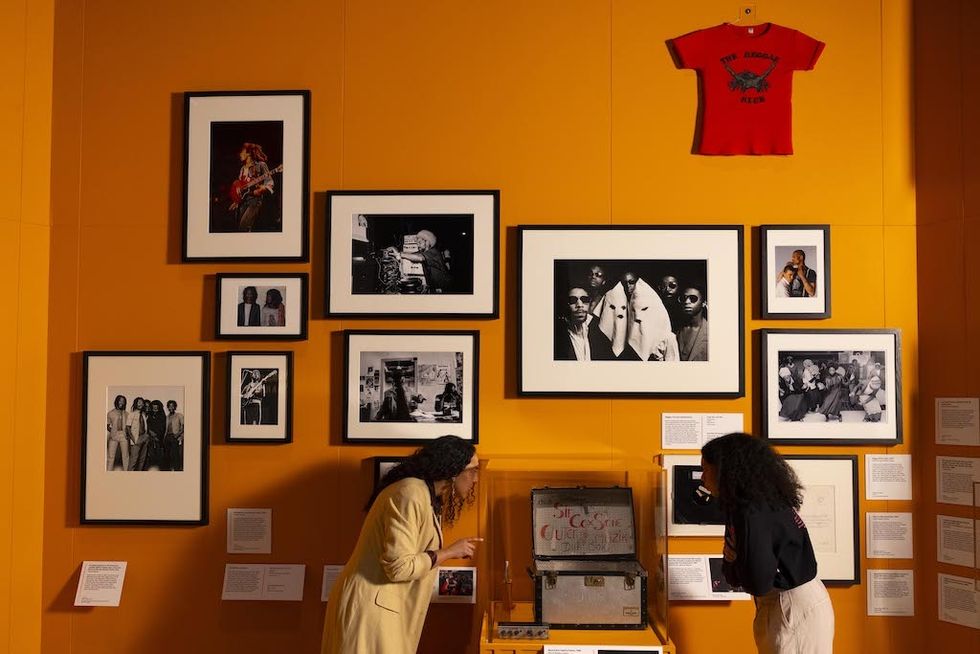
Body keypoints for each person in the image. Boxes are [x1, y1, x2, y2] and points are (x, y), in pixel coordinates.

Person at [321, 435, 482, 654]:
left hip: (380, 605)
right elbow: (399, 567)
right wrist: (449, 552)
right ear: (453, 471)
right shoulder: (410, 493)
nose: (475, 479)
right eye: (473, 470)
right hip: (371, 607)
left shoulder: (422, 494)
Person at [700, 433, 834, 654]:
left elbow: (756, 582)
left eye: (706, 469)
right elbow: (734, 573)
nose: (702, 477)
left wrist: (736, 560)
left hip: (790, 605)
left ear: (725, 470)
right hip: (787, 602)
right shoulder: (751, 505)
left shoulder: (753, 511)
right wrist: (737, 562)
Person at [553, 286, 614, 361]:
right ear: (566, 304)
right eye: (573, 300)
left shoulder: (598, 332)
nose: (579, 305)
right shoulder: (557, 337)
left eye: (584, 300)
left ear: (589, 303)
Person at [386, 230, 453, 291]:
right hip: (434, 286)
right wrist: (394, 250)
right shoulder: (424, 252)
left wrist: (399, 254)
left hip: (443, 288)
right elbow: (411, 254)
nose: (418, 245)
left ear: (427, 242)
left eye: (420, 242)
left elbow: (419, 257)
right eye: (417, 243)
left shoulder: (433, 252)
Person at [232, 142, 274, 232]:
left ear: (248, 153)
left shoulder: (261, 165)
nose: (240, 154)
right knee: (240, 228)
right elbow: (241, 187)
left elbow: (269, 181)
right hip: (243, 201)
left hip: (254, 201)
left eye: (241, 152)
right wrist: (236, 201)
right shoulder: (242, 169)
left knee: (243, 227)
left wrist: (264, 188)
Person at [675, 285, 708, 361]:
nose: (687, 302)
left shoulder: (711, 332)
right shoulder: (675, 330)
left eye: (693, 299)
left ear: (704, 303)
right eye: (683, 298)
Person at [106, 394, 129, 471]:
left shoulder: (126, 414)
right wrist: (112, 432)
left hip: (123, 435)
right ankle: (108, 472)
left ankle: (127, 473)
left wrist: (127, 434)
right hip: (114, 435)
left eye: (123, 401)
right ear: (117, 401)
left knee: (125, 456)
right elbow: (107, 425)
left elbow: (129, 426)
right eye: (120, 401)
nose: (121, 402)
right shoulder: (110, 413)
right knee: (111, 456)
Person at [126, 397, 149, 471]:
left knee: (142, 460)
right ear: (136, 404)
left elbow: (145, 426)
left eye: (142, 403)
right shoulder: (131, 414)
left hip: (144, 437)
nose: (141, 404)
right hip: (136, 439)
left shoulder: (143, 414)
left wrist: (146, 436)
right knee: (133, 461)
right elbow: (128, 428)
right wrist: (134, 440)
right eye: (139, 402)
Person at [145, 400, 167, 470]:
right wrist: (150, 432)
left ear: (159, 407)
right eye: (153, 407)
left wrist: (157, 436)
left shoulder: (162, 415)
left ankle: (163, 470)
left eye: (156, 407)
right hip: (150, 436)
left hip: (159, 437)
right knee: (148, 453)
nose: (155, 408)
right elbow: (147, 425)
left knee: (160, 454)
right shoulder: (149, 415)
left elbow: (163, 427)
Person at [164, 400, 184, 472]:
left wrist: (177, 435)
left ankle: (177, 470)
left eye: (172, 406)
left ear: (175, 407)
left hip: (175, 436)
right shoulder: (167, 417)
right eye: (169, 406)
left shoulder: (179, 415)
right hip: (167, 437)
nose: (171, 407)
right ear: (168, 407)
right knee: (167, 455)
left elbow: (183, 427)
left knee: (175, 455)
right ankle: (167, 471)